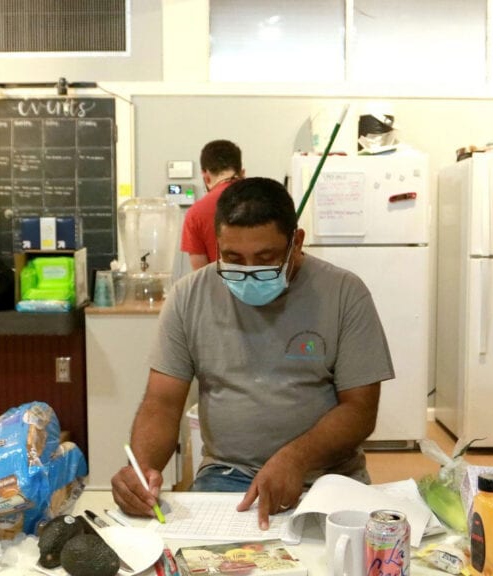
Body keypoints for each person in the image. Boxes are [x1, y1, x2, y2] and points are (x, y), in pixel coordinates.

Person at [112, 177, 394, 529]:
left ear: (297, 242)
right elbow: (162, 404)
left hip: (327, 475)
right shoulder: (189, 297)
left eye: (266, 258)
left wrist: (295, 458)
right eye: (233, 258)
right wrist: (142, 470)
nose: (249, 271)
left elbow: (360, 410)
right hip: (227, 475)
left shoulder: (344, 294)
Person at [180, 140, 245, 270]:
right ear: (242, 173)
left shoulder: (196, 214)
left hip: (219, 289)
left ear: (206, 177)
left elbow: (201, 277)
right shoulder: (268, 201)